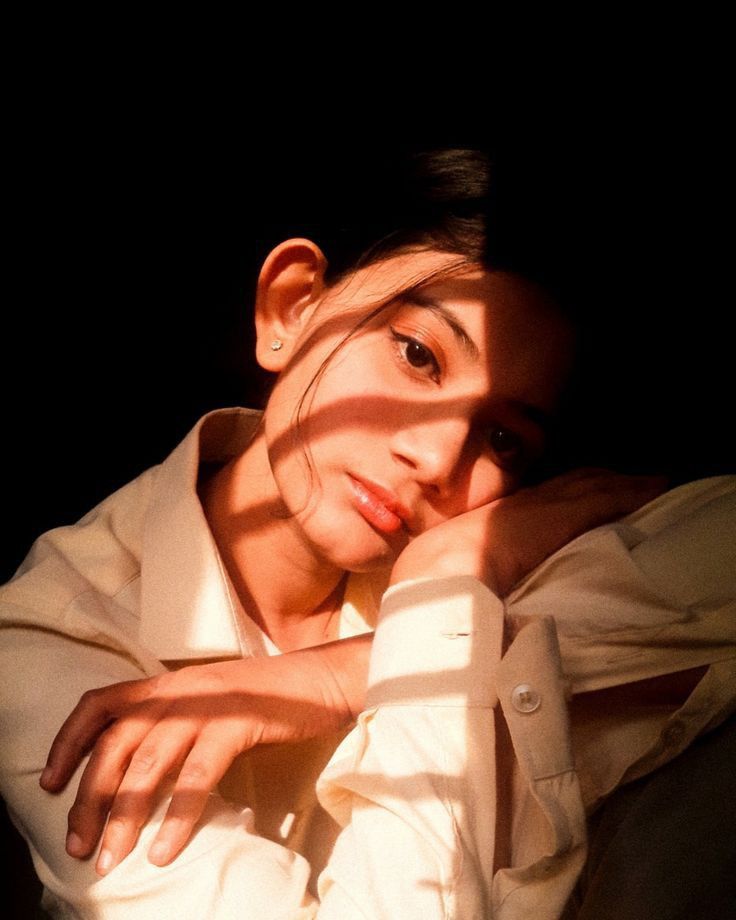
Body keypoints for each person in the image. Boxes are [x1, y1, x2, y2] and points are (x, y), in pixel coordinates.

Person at [1, 147, 734, 919]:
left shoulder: (486, 551)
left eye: (504, 438)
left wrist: (350, 664)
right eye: (419, 356)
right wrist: (435, 627)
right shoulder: (48, 645)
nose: (436, 457)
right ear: (290, 308)